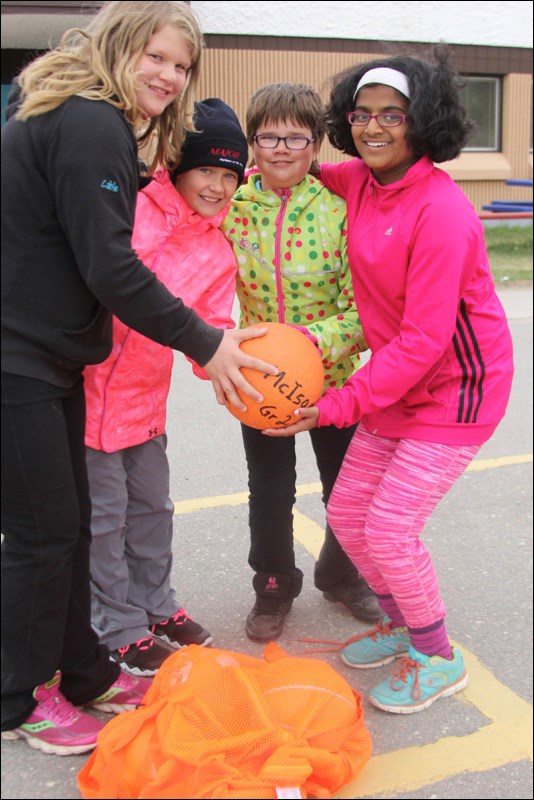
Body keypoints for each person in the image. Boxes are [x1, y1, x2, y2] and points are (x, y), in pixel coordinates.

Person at [1, 1, 277, 756]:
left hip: (51, 355)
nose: (167, 74)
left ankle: (86, 672)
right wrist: (207, 342)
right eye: (155, 56)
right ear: (119, 45)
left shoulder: (89, 121)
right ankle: (19, 698)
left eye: (181, 65)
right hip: (17, 355)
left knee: (67, 529)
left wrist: (216, 350)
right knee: (42, 536)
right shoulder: (92, 122)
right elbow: (112, 265)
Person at [264, 50, 514, 713]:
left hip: (458, 390)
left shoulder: (443, 212)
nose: (373, 128)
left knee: (391, 528)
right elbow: (305, 165)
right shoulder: (363, 182)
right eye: (362, 114)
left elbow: (426, 343)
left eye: (392, 116)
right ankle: (404, 627)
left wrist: (335, 405)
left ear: (420, 120)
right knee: (349, 516)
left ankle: (437, 656)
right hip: (403, 383)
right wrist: (256, 152)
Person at [85, 97, 248, 677]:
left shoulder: (215, 250)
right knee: (103, 523)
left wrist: (241, 370)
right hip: (83, 402)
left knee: (153, 510)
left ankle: (155, 606)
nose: (218, 186)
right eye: (208, 169)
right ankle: (117, 626)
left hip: (144, 407)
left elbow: (210, 336)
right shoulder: (128, 208)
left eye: (230, 175)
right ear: (177, 165)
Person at [222, 82, 381, 643]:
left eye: (297, 137)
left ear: (316, 145)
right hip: (259, 384)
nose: (283, 149)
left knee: (345, 487)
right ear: (253, 142)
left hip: (332, 381)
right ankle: (272, 584)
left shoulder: (339, 212)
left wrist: (306, 344)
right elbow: (201, 284)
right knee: (268, 489)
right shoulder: (233, 210)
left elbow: (363, 309)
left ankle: (340, 574)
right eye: (270, 136)